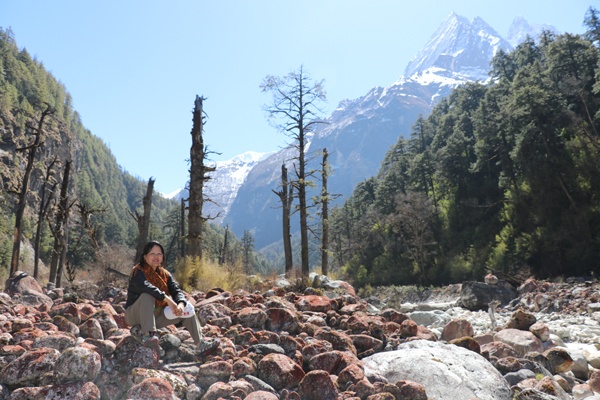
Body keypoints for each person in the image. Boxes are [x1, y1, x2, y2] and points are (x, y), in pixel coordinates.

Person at [124, 240, 218, 355]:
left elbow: (176, 291)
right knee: (147, 295)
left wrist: (181, 305)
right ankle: (148, 335)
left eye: (159, 254)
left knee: (187, 309)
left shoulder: (165, 275)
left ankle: (200, 344)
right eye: (152, 254)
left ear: (162, 257)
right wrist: (167, 300)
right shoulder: (137, 273)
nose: (156, 257)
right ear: (145, 257)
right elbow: (146, 287)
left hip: (155, 316)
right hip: (134, 315)